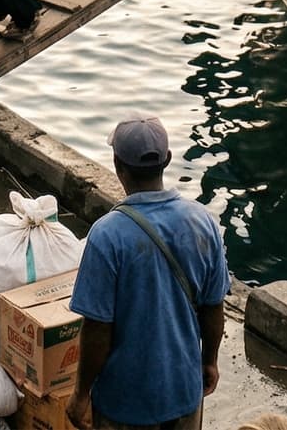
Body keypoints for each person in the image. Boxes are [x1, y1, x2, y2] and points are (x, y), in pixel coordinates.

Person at [67, 115, 227, 430]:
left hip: (124, 402)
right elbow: (214, 307)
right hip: (183, 390)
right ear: (167, 160)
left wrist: (81, 393)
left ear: (117, 165)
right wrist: (209, 360)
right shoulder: (203, 222)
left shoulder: (107, 235)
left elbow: (98, 329)